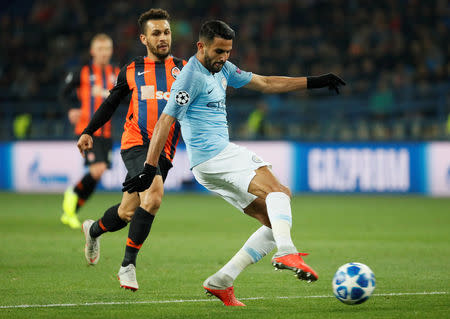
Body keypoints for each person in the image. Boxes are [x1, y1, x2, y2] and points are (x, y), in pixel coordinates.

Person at [122, 20, 345, 306]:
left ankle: (221, 281)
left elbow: (265, 83)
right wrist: (149, 168)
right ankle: (286, 251)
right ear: (201, 46)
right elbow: (166, 119)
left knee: (271, 223)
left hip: (208, 166)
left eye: (228, 51)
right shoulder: (190, 76)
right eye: (218, 51)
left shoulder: (224, 68)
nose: (224, 57)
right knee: (280, 193)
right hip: (215, 156)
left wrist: (314, 81)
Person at [76, 8, 187, 291]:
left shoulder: (185, 70)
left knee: (128, 211)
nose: (163, 38)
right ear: (143, 38)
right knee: (154, 196)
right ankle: (128, 266)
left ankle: (93, 230)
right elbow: (111, 103)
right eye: (156, 33)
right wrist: (89, 130)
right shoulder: (132, 70)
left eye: (166, 32)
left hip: (165, 151)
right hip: (135, 143)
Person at [60, 33, 120, 229]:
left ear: (111, 51)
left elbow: (128, 96)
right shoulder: (83, 72)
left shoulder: (117, 73)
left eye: (107, 49)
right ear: (93, 51)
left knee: (98, 173)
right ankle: (73, 194)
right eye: (100, 49)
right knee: (98, 169)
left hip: (108, 131)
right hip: (88, 130)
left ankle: (71, 210)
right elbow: (64, 91)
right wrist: (71, 108)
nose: (104, 53)